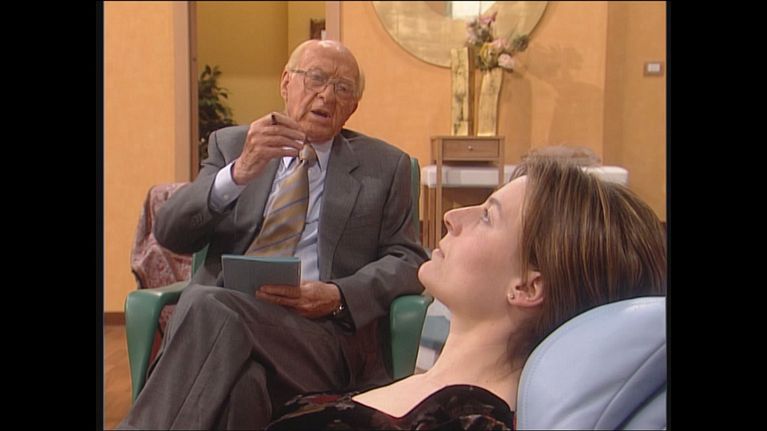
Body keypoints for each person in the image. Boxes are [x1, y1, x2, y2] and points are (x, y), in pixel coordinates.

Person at [118, 39, 428, 430]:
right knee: (242, 388)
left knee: (208, 305)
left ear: (353, 106)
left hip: (318, 337)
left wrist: (337, 296)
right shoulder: (233, 145)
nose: (326, 95)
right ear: (286, 83)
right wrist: (237, 174)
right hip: (225, 326)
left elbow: (409, 259)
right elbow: (170, 232)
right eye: (316, 78)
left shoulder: (384, 166)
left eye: (342, 88)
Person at [265, 156, 667, 430]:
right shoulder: (427, 398)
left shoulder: (470, 421)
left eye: (488, 216)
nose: (452, 217)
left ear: (527, 286)